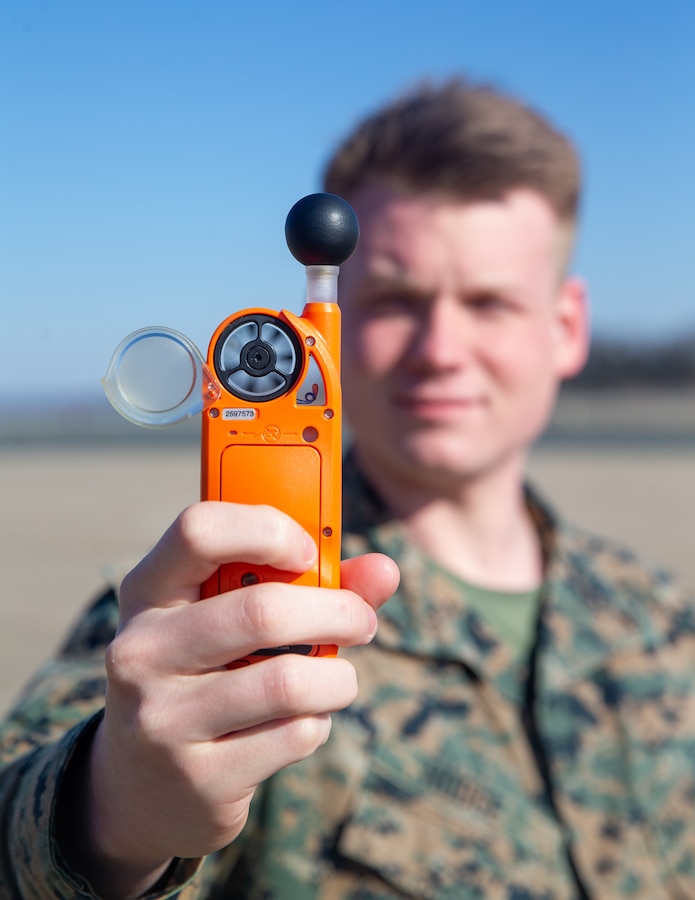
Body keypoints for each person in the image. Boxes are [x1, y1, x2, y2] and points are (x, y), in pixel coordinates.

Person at [1, 78, 694, 900]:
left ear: (565, 328)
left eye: (488, 302)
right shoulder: (204, 612)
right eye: (395, 300)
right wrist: (109, 814)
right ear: (332, 317)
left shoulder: (659, 619)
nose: (440, 348)